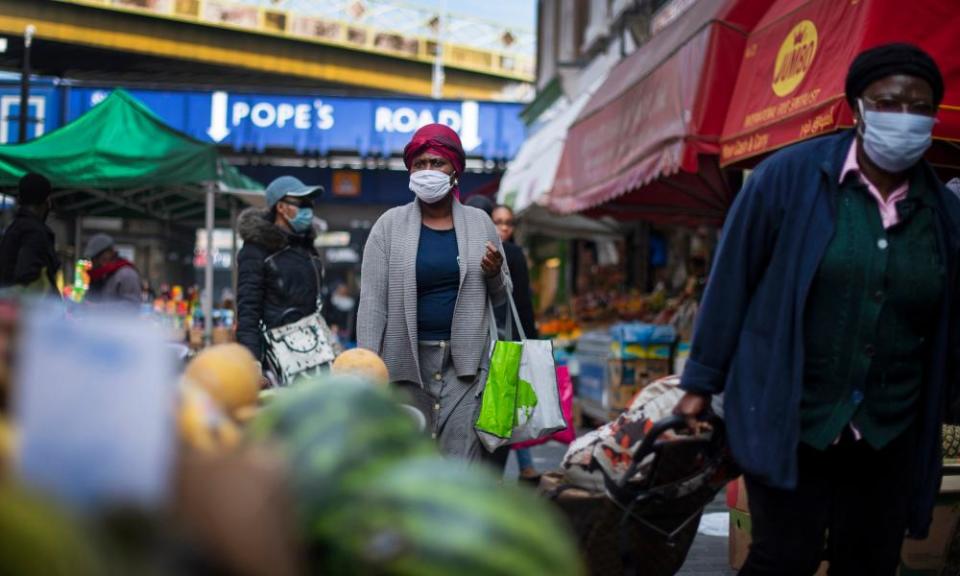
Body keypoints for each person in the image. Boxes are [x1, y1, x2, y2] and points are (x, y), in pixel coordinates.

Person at [673, 44, 960, 575]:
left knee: (870, 561)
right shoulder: (787, 179)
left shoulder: (943, 212)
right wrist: (700, 383)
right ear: (858, 107)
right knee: (784, 556)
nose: (904, 116)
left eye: (919, 106)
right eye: (888, 102)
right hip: (789, 411)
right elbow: (732, 280)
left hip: (890, 425)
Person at [357, 124, 511, 465]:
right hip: (404, 367)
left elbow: (501, 297)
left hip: (466, 367)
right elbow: (372, 303)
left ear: (455, 169)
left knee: (460, 462)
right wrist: (366, 366)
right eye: (420, 163)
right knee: (407, 463)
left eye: (437, 163)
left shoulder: (480, 222)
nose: (428, 171)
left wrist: (494, 271)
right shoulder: (388, 226)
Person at [466, 196, 542, 481]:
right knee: (501, 417)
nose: (503, 228)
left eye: (507, 223)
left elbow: (521, 303)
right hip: (505, 349)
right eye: (499, 222)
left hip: (494, 348)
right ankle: (494, 479)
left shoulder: (502, 253)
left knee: (491, 416)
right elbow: (525, 306)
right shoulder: (511, 252)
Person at [236, 176, 324, 367]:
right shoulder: (255, 251)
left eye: (310, 203)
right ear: (281, 207)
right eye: (301, 203)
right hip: (275, 357)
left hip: (312, 351)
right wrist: (252, 361)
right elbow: (248, 312)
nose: (308, 210)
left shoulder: (307, 249)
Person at [0, 173, 59, 295]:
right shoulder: (34, 232)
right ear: (47, 201)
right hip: (31, 310)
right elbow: (28, 275)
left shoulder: (13, 228)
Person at [83, 233, 142, 306]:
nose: (94, 262)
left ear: (110, 253)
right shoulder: (100, 276)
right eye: (93, 258)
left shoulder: (126, 274)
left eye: (97, 257)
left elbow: (132, 307)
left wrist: (96, 309)